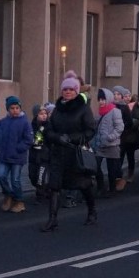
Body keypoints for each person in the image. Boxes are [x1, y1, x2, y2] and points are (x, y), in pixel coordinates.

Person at [40, 71, 97, 231]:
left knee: (84, 185)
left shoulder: (83, 109)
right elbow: (49, 130)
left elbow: (91, 130)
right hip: (58, 153)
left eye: (71, 90)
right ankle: (52, 219)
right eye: (65, 89)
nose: (68, 92)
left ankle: (92, 211)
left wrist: (72, 138)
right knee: (54, 186)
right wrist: (57, 138)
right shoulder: (57, 109)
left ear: (77, 91)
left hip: (76, 154)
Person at [0, 95, 34, 214]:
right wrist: (0, 149)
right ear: (8, 109)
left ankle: (19, 201)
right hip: (5, 156)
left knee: (15, 180)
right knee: (1, 175)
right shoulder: (3, 122)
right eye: (12, 108)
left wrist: (19, 148)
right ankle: (8, 195)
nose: (15, 110)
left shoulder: (24, 122)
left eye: (17, 108)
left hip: (17, 157)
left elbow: (28, 139)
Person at [93, 88, 124, 198]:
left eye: (103, 99)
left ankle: (112, 188)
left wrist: (111, 137)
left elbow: (119, 127)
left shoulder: (115, 111)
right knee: (95, 166)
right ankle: (100, 187)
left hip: (112, 145)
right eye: (100, 99)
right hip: (100, 144)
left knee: (112, 169)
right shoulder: (100, 112)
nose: (101, 102)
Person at [28, 103, 53, 203]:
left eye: (45, 113)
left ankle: (40, 195)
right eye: (41, 114)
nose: (44, 115)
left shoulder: (48, 126)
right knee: (32, 176)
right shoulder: (32, 126)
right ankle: (44, 189)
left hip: (44, 157)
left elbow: (50, 139)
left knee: (40, 176)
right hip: (33, 156)